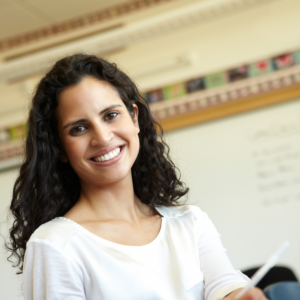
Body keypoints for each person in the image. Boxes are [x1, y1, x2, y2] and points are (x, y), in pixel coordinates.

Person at [6, 54, 268, 300]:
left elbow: (225, 287)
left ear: (134, 118)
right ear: (60, 148)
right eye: (80, 128)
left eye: (110, 115)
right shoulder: (55, 244)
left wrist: (243, 295)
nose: (103, 138)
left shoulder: (190, 223)